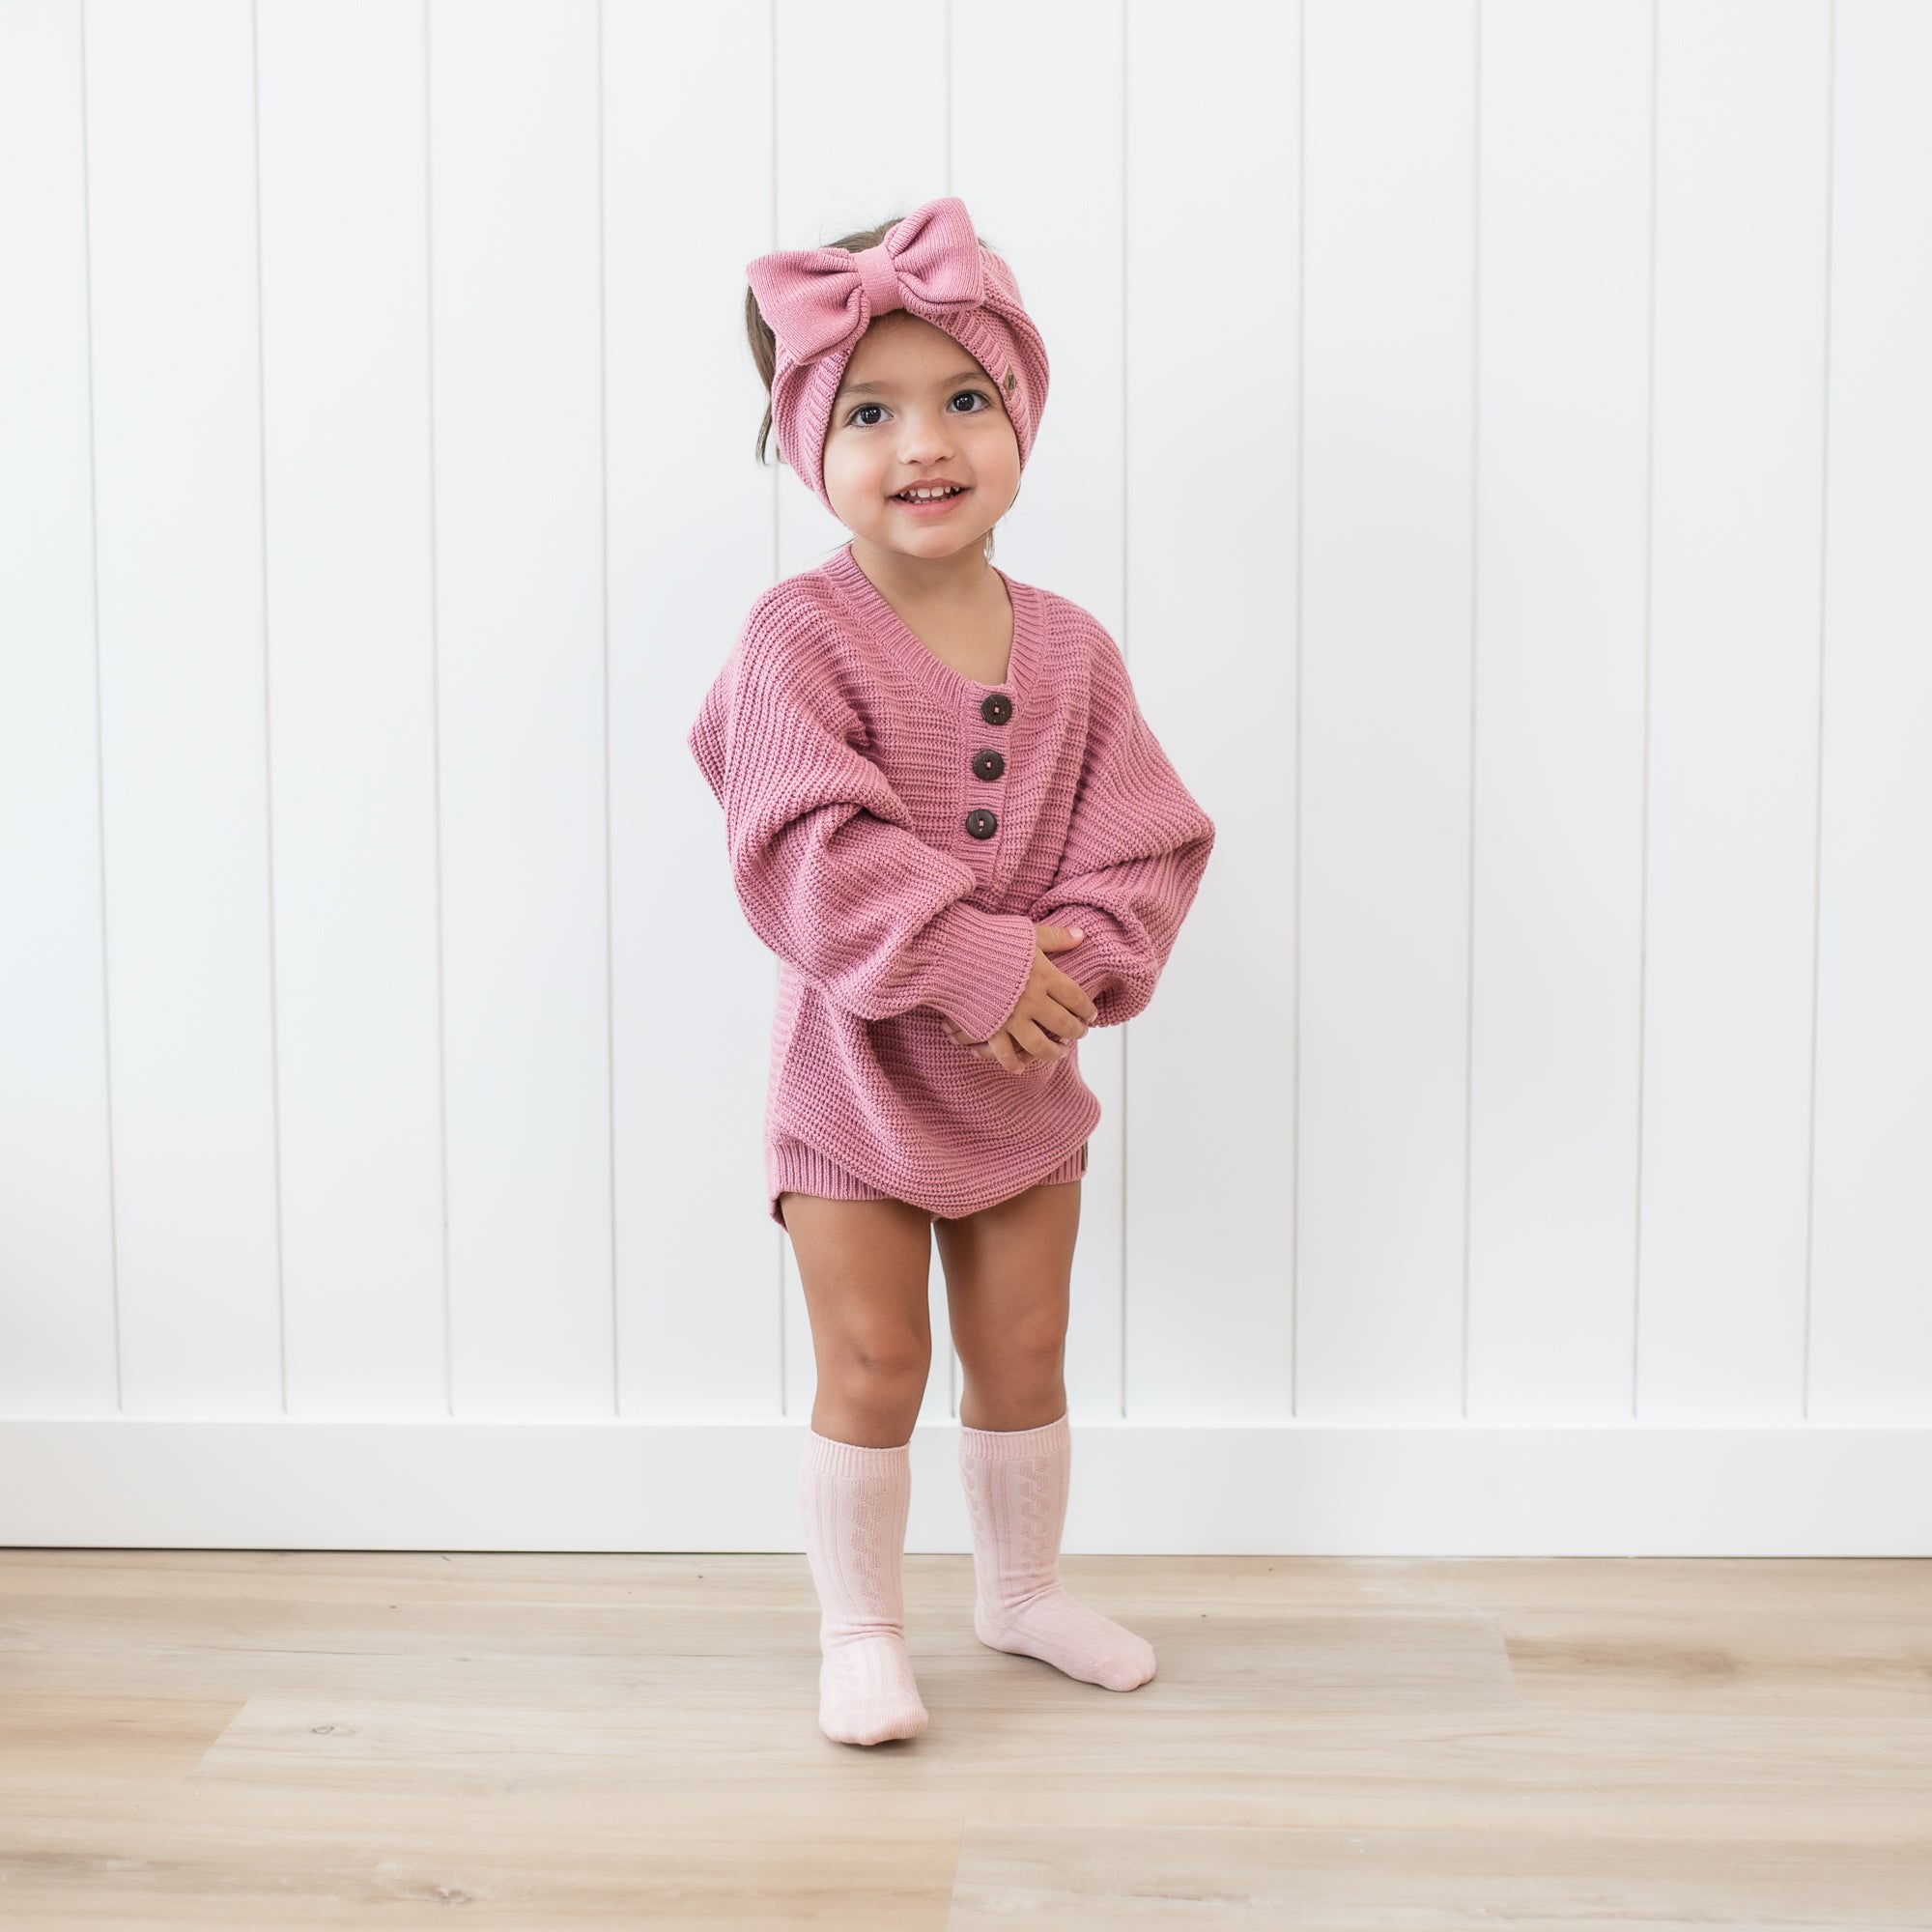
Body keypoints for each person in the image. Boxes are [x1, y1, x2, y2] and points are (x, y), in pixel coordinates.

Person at [687, 195, 1215, 1747]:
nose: (924, 442)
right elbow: (797, 844)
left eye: (964, 399)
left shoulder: (1071, 650)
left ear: (1019, 417)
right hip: (853, 1085)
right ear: (807, 446)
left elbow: (1146, 837)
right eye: (871, 411)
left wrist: (1083, 967)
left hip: (1023, 1081)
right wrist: (967, 957)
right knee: (875, 1357)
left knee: (1026, 1349)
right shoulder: (796, 639)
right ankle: (859, 1628)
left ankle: (1022, 1589)